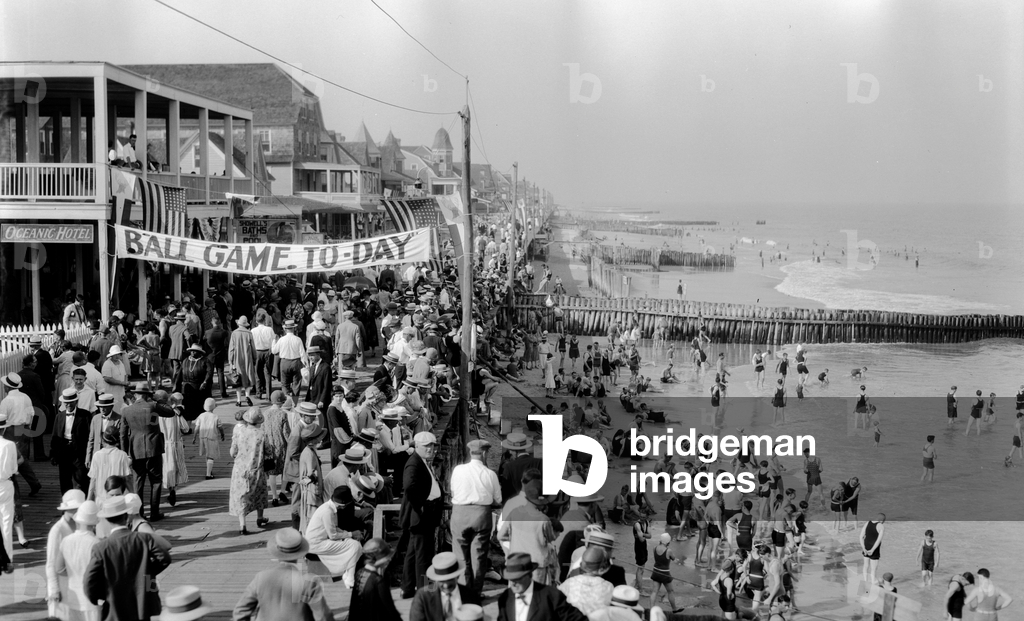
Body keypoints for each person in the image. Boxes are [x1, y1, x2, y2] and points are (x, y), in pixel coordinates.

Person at [84, 496, 172, 621]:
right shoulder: (143, 539)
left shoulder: (101, 547)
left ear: (107, 520)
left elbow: (89, 581)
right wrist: (147, 572)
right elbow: (165, 557)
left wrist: (101, 596)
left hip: (115, 606)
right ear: (126, 517)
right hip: (143, 604)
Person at [232, 528, 335, 621]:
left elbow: (240, 612)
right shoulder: (309, 582)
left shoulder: (261, 578)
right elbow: (324, 616)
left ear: (276, 551)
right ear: (301, 552)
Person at [449, 439, 501, 593]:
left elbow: (453, 491)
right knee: (479, 555)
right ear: (485, 453)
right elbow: (497, 499)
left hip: (459, 514)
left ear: (470, 452)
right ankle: (475, 592)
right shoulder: (490, 474)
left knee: (460, 555)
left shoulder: (458, 470)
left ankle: (463, 591)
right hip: (481, 515)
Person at [396, 431, 444, 596]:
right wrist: (421, 506)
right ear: (416, 446)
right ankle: (426, 589)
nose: (431, 449)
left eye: (432, 446)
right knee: (424, 555)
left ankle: (407, 587)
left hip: (421, 516)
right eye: (426, 446)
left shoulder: (421, 461)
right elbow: (409, 487)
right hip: (421, 517)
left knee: (412, 554)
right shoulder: (414, 463)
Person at [123, 384, 177, 521]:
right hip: (154, 449)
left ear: (135, 395)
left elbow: (122, 435)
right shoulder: (153, 406)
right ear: (148, 395)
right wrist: (158, 400)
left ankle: (139, 513)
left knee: (138, 483)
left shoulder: (126, 410)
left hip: (135, 450)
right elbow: (170, 412)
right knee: (156, 481)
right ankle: (154, 513)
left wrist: (126, 453)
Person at [496, 552, 587, 621]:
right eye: (510, 579)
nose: (513, 583)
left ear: (529, 575)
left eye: (517, 579)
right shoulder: (505, 597)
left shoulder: (552, 596)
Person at [305, 487, 364, 588]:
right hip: (316, 544)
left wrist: (350, 534)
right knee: (355, 546)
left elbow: (335, 529)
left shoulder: (329, 507)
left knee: (354, 544)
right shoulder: (327, 512)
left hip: (321, 540)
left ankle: (349, 575)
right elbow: (333, 535)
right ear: (343, 504)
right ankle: (349, 577)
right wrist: (352, 534)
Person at [56, 500, 102, 621]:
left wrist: (73, 574)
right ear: (95, 522)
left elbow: (59, 569)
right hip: (91, 601)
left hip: (72, 598)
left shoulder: (66, 541)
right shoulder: (97, 543)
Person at [229, 408, 272, 535]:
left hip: (240, 470)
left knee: (241, 496)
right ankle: (260, 517)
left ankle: (242, 524)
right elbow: (269, 451)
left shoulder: (239, 432)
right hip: (257, 468)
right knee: (259, 492)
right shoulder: (262, 434)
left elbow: (232, 452)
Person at [409, 552, 484, 621]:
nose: (446, 585)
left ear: (457, 576)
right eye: (441, 580)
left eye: (449, 579)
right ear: (435, 579)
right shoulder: (423, 597)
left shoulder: (471, 595)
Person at [46, 489, 86, 618]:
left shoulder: (81, 526)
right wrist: (54, 590)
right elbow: (51, 563)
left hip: (78, 584)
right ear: (66, 509)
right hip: (61, 584)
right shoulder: (57, 530)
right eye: (74, 509)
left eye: (79, 509)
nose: (77, 512)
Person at [349, 538, 403, 621]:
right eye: (386, 557)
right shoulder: (378, 581)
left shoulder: (359, 573)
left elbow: (354, 606)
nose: (389, 559)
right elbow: (390, 610)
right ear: (377, 558)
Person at [52, 388, 93, 493]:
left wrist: (89, 455)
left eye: (71, 402)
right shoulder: (59, 416)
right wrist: (54, 454)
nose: (68, 405)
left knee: (81, 479)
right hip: (63, 451)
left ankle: (83, 505)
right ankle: (67, 505)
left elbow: (90, 436)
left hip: (79, 452)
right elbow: (55, 435)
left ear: (76, 401)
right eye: (66, 403)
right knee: (65, 481)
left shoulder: (85, 415)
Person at [159, 394, 189, 507]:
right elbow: (186, 428)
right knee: (176, 467)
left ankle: (169, 488)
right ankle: (174, 489)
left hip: (164, 444)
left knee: (166, 467)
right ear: (177, 402)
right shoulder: (176, 413)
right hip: (176, 443)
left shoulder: (159, 413)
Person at [87, 428, 131, 504]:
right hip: (117, 499)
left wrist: (88, 500)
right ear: (117, 441)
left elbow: (93, 481)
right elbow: (127, 479)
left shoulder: (96, 455)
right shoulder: (122, 455)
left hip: (101, 499)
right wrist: (133, 494)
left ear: (103, 440)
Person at [229, 316, 258, 407]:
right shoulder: (249, 333)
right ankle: (247, 396)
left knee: (238, 379)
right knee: (248, 377)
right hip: (247, 357)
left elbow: (231, 349)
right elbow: (253, 347)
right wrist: (254, 358)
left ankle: (238, 400)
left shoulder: (234, 333)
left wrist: (231, 361)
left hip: (237, 358)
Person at [649, 533, 682, 613]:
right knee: (670, 591)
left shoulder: (655, 548)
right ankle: (674, 608)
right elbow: (674, 558)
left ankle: (651, 609)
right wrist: (677, 561)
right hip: (664, 574)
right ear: (667, 542)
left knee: (654, 591)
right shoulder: (668, 551)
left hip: (656, 571)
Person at [192, 399, 224, 480]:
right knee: (211, 456)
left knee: (207, 455)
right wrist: (222, 434)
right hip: (212, 437)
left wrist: (194, 437)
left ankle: (209, 470)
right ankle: (208, 474)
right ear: (214, 407)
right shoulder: (215, 416)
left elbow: (197, 427)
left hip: (202, 437)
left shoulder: (201, 415)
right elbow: (220, 427)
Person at [859, 513, 885, 585]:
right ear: (882, 520)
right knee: (873, 568)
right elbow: (878, 540)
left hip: (866, 546)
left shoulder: (867, 523)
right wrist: (873, 550)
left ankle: (865, 581)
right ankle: (873, 581)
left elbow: (861, 537)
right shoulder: (881, 526)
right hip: (874, 549)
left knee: (865, 566)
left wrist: (863, 548)